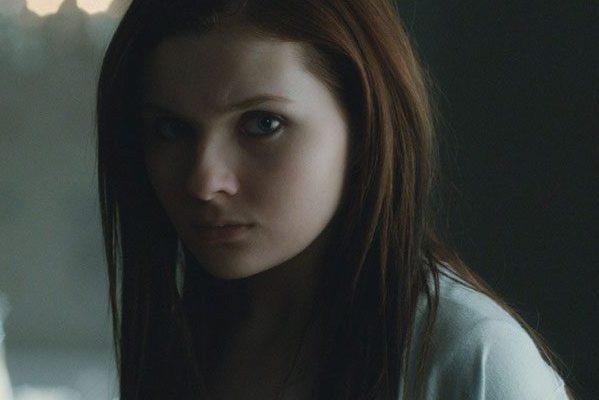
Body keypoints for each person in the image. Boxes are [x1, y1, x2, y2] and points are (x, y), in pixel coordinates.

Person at [96, 0, 574, 399]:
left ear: (365, 123)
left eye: (263, 124)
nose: (204, 182)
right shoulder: (189, 339)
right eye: (171, 129)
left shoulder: (471, 358)